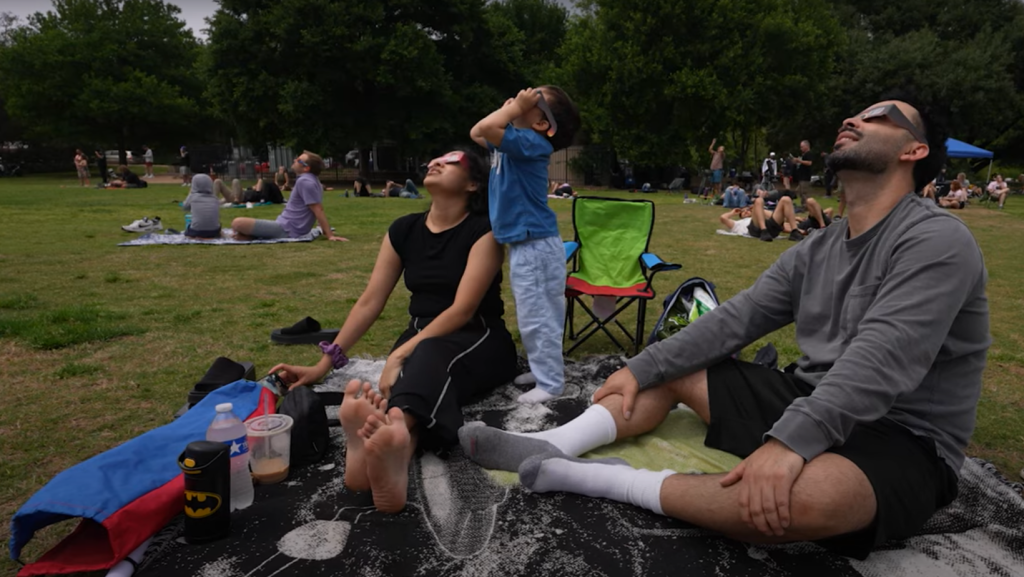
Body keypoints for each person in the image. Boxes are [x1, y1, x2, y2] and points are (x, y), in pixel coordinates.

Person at [459, 97, 989, 561]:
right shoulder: (818, 247)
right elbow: (739, 317)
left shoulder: (937, 241)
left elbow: (884, 358)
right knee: (673, 365)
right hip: (809, 394)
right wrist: (640, 368)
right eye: (856, 112)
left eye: (878, 116)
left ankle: (608, 480)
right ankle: (554, 445)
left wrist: (789, 444)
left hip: (904, 435)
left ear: (913, 151)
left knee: (795, 506)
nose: (853, 118)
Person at [269, 148, 518, 513]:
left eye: (452, 161)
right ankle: (395, 451)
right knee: (416, 381)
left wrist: (398, 354)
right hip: (422, 335)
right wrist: (323, 366)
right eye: (434, 159)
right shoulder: (403, 230)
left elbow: (462, 310)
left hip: (479, 336)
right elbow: (371, 300)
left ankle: (393, 430)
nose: (435, 162)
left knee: (423, 360)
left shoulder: (486, 231)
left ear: (473, 183)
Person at [471, 85, 580, 404]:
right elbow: (478, 131)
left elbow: (489, 128)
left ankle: (550, 383)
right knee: (540, 313)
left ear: (542, 124)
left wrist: (510, 110)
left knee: (538, 316)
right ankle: (543, 367)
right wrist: (514, 109)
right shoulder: (514, 142)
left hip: (534, 244)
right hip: (530, 243)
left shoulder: (532, 143)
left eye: (533, 99)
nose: (521, 96)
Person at [230, 151, 347, 241]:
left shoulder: (305, 182)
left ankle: (252, 236)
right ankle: (252, 236)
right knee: (239, 229)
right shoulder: (312, 181)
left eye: (299, 160)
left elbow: (318, 209)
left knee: (237, 223)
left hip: (288, 229)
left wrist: (330, 235)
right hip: (287, 226)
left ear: (306, 168)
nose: (295, 160)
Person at [182, 174, 222, 238]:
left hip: (197, 231)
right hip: (215, 231)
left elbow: (185, 208)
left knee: (189, 228)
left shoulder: (192, 197)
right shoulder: (215, 198)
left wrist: (190, 192)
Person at [792, 140, 814, 206]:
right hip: (801, 176)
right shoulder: (804, 155)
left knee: (804, 192)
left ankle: (806, 205)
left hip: (805, 177)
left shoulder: (809, 154)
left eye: (802, 147)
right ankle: (803, 204)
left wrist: (800, 161)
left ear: (806, 146)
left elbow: (809, 163)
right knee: (800, 192)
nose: (801, 148)